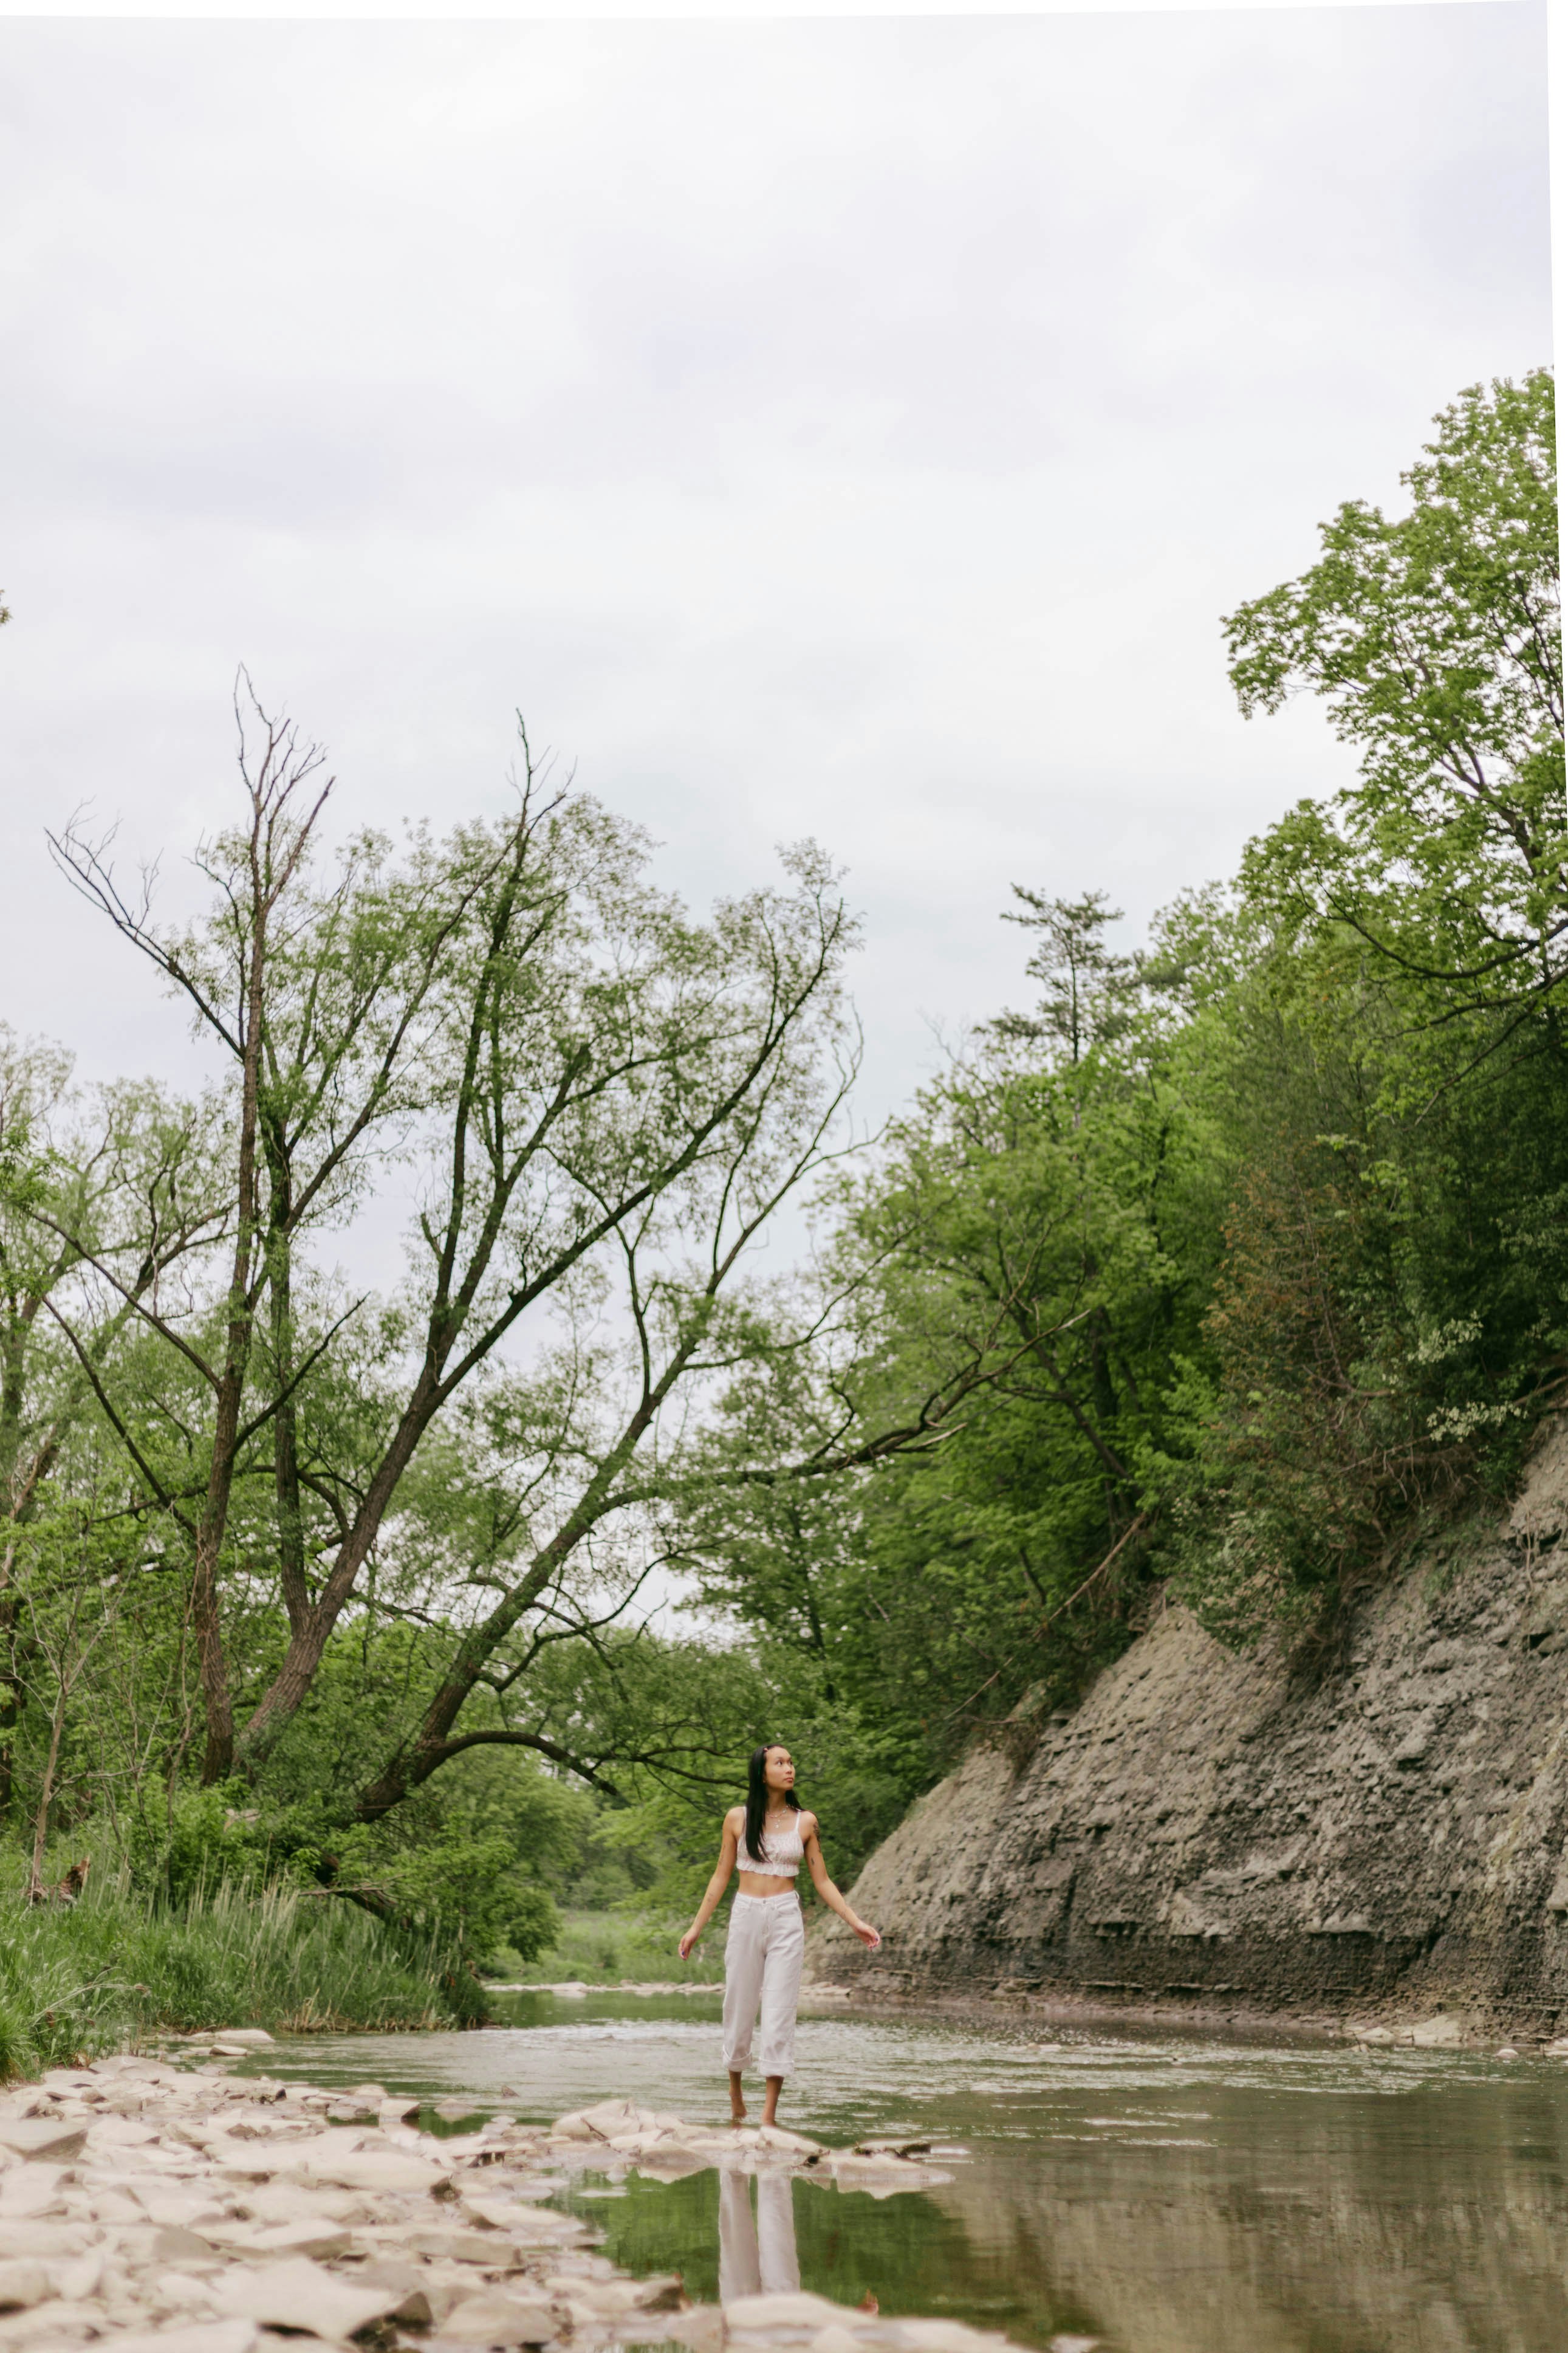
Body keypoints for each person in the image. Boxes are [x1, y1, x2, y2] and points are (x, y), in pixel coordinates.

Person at [678, 1741, 881, 2128]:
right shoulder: (737, 1819)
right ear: (761, 1772)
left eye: (791, 1762)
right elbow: (720, 1876)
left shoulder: (806, 1822)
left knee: (779, 2012)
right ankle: (736, 2093)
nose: (789, 1768)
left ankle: (768, 2117)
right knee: (738, 2005)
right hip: (746, 1915)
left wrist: (854, 1921)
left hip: (787, 1917)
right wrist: (695, 1928)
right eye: (780, 1763)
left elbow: (822, 1880)